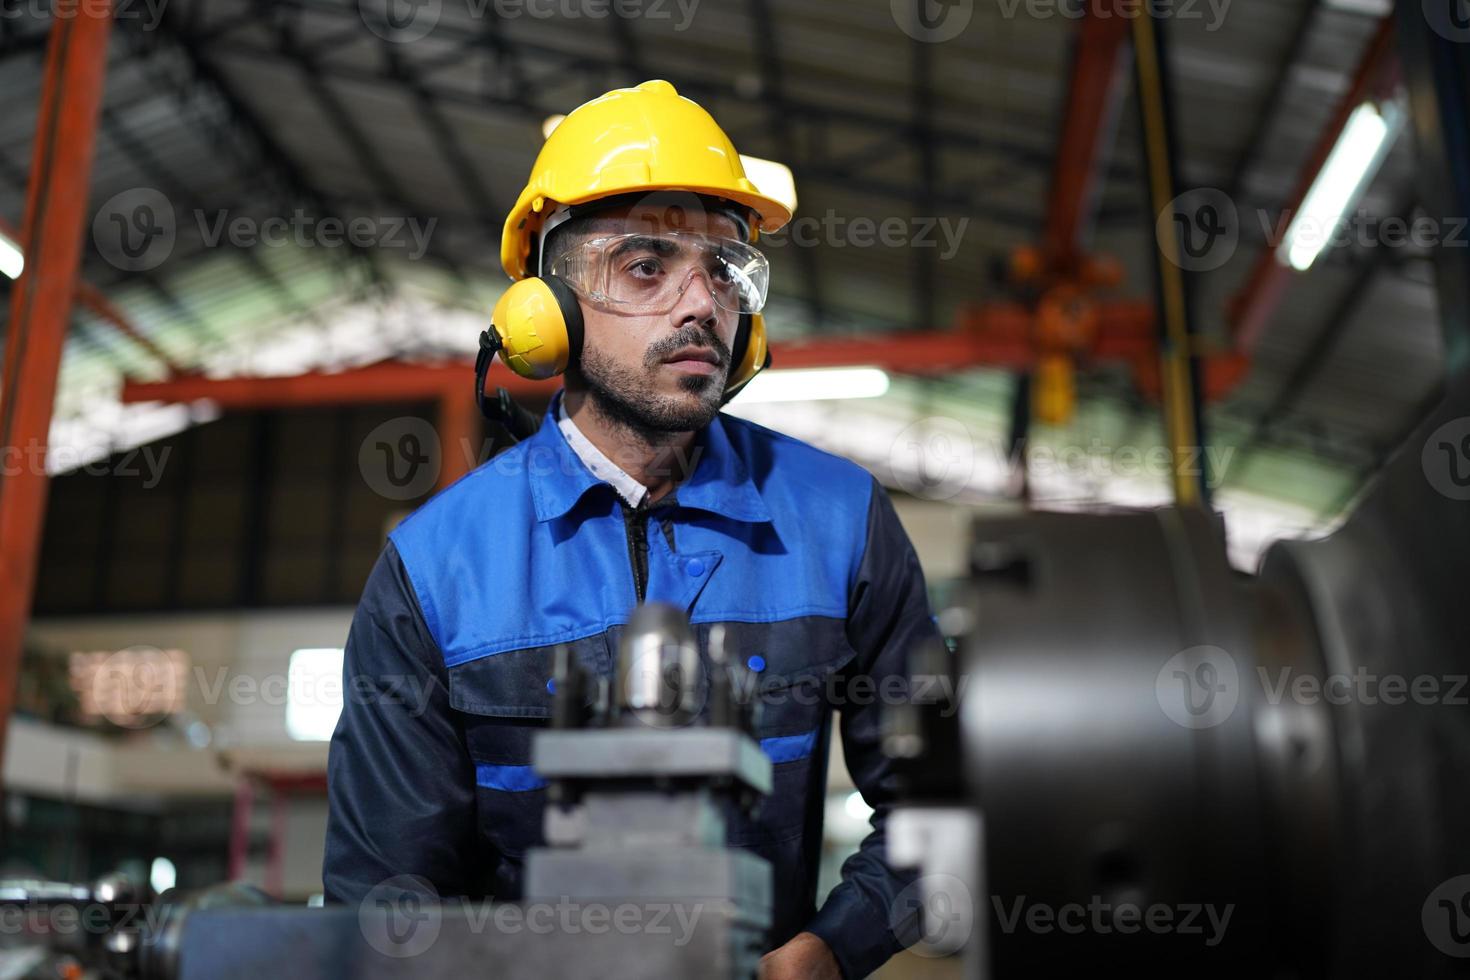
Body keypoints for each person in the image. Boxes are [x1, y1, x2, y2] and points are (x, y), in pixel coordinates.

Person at [324, 79, 941, 979]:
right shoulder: (434, 569)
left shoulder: (841, 522)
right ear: (547, 314)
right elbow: (384, 905)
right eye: (647, 267)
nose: (701, 306)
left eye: (725, 270)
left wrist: (829, 952)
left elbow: (938, 810)